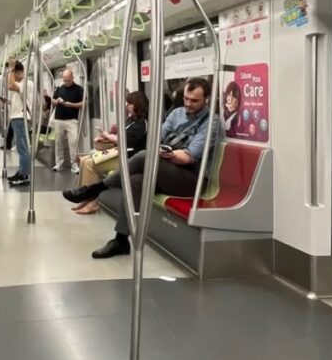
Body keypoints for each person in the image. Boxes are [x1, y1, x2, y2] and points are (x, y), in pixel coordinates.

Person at [62, 77, 216, 258]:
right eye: (186, 99)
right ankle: (120, 241)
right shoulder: (176, 114)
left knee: (144, 156)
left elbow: (188, 157)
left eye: (194, 100)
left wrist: (169, 155)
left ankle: (96, 189)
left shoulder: (211, 123)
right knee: (134, 182)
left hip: (190, 181)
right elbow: (156, 138)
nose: (188, 104)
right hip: (165, 169)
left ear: (207, 99)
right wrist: (160, 150)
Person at [72, 91, 148, 215]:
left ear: (137, 105)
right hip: (119, 153)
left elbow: (124, 141)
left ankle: (92, 202)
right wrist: (106, 138)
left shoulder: (141, 123)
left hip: (130, 159)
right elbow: (120, 136)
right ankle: (86, 198)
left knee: (90, 164)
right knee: (84, 160)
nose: (126, 105)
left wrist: (107, 135)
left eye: (130, 103)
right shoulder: (131, 119)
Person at [7, 60, 35, 187]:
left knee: (23, 148)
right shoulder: (22, 85)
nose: (13, 77)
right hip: (17, 118)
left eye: (14, 73)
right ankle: (21, 171)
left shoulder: (26, 83)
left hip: (21, 118)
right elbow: (19, 101)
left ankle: (24, 176)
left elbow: (10, 86)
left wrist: (10, 69)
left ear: (18, 72)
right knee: (20, 147)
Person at [51, 68, 84, 172]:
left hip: (72, 120)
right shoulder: (59, 89)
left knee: (73, 143)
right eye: (64, 80)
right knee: (58, 143)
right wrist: (57, 101)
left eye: (68, 80)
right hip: (59, 119)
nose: (66, 82)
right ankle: (58, 164)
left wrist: (72, 104)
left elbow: (84, 103)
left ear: (73, 78)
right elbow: (52, 100)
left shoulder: (79, 89)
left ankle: (74, 165)